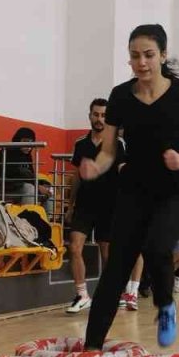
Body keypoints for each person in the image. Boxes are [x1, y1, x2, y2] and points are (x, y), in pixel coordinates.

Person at [77, 24, 179, 348]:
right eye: (134, 56)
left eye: (149, 55)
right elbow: (109, 150)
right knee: (114, 272)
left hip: (176, 190)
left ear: (163, 55)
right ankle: (91, 348)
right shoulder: (121, 96)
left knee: (156, 245)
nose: (141, 62)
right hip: (134, 191)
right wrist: (95, 166)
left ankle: (165, 306)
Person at [65, 98, 125, 314]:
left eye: (104, 116)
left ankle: (110, 294)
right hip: (84, 205)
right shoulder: (80, 144)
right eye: (96, 114)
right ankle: (82, 295)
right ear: (90, 115)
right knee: (74, 247)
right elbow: (77, 176)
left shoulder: (117, 144)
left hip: (110, 206)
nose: (100, 119)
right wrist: (70, 205)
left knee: (107, 255)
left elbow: (123, 171)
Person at [0, 127, 50, 207]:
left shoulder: (27, 156)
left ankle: (47, 218)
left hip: (16, 188)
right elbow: (15, 174)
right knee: (29, 189)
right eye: (25, 142)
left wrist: (42, 185)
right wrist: (37, 185)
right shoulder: (7, 152)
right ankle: (26, 217)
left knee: (48, 191)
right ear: (17, 140)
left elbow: (30, 175)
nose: (28, 146)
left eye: (31, 143)